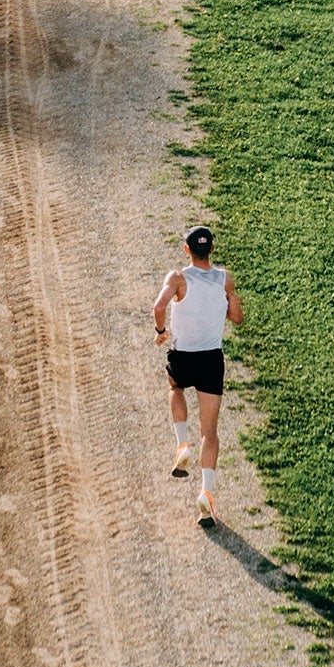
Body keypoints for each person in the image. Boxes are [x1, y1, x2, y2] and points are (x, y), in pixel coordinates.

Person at [153, 225, 243, 527]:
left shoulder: (178, 278)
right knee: (211, 432)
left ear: (186, 249)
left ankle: (182, 445)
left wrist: (161, 331)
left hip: (183, 356)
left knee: (175, 388)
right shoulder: (225, 279)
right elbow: (237, 318)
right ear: (212, 250)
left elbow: (159, 307)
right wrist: (225, 302)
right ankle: (206, 493)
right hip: (211, 359)